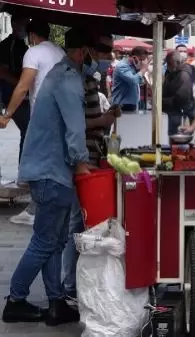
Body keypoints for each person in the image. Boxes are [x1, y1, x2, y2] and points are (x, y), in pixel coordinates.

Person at [2, 27, 94, 326]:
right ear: (82, 52)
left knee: (53, 241)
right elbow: (74, 128)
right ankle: (15, 300)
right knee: (45, 241)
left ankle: (56, 303)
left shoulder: (58, 74)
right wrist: (81, 164)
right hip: (51, 171)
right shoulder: (67, 78)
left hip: (48, 168)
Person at [63, 33, 117, 302]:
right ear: (88, 51)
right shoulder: (78, 82)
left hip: (91, 154)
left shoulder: (90, 81)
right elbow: (79, 124)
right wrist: (105, 119)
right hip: (82, 159)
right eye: (105, 50)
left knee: (83, 221)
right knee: (79, 221)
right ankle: (70, 286)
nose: (109, 56)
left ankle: (76, 283)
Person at [1, 19, 65, 227]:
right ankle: (45, 207)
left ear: (33, 36)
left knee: (38, 161)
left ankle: (36, 210)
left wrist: (7, 114)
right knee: (51, 161)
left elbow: (22, 87)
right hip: (60, 113)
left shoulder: (34, 52)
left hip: (43, 115)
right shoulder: (60, 53)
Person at [0, 13, 29, 160]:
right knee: (28, 128)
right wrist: (23, 85)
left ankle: (24, 170)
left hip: (23, 95)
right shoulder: (7, 46)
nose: (26, 27)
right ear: (13, 25)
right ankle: (24, 171)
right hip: (12, 95)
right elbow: (3, 73)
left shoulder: (24, 46)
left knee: (29, 129)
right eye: (23, 24)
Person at [163, 51, 195, 136]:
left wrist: (163, 101)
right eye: (167, 64)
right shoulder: (171, 73)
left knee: (176, 137)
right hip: (171, 113)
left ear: (177, 63)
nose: (168, 66)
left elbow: (182, 98)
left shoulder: (183, 75)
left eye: (170, 63)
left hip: (178, 113)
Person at [111, 46, 149, 113]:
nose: (143, 63)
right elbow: (133, 81)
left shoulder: (133, 66)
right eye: (141, 60)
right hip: (122, 104)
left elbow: (140, 82)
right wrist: (142, 70)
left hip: (130, 103)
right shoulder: (123, 66)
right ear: (134, 57)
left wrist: (139, 70)